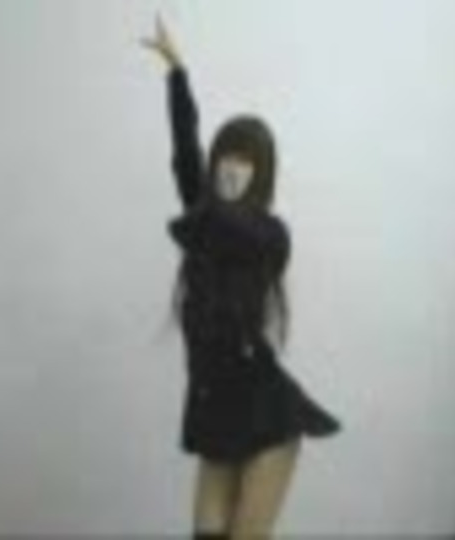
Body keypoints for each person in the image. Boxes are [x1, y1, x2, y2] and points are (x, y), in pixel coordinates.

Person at [142, 16, 341, 540]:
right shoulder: (206, 221)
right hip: (213, 412)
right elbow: (186, 156)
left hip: (266, 414)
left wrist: (200, 205)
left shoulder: (270, 235)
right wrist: (177, 74)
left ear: (263, 171)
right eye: (225, 155)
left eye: (245, 160)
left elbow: (230, 225)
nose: (231, 166)